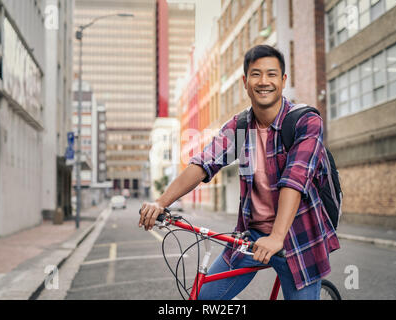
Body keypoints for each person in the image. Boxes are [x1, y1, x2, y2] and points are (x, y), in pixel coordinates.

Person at [138, 45, 340, 300]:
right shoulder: (240, 126)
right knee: (204, 298)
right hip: (251, 237)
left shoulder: (305, 121)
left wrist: (277, 237)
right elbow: (203, 163)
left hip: (298, 240)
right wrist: (160, 203)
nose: (263, 82)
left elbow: (295, 179)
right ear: (245, 82)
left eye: (271, 74)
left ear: (283, 80)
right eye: (256, 74)